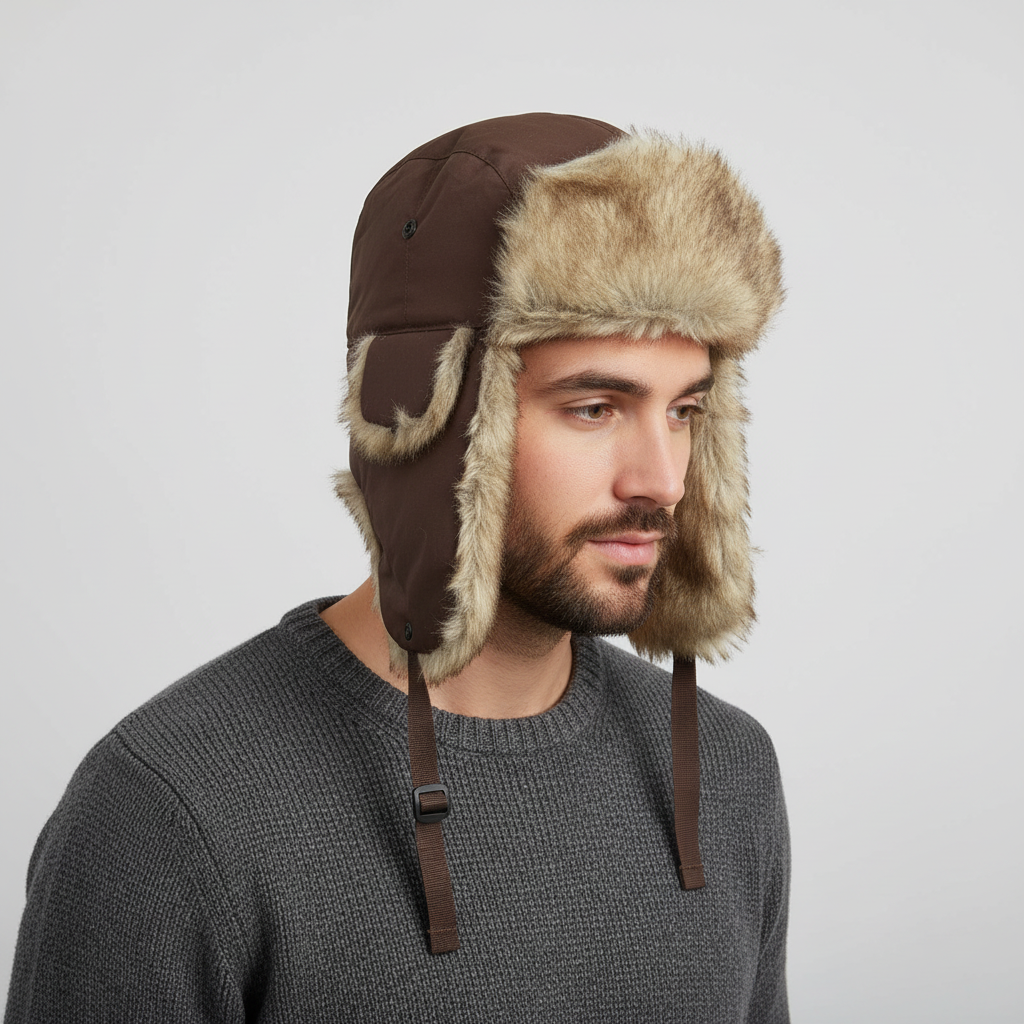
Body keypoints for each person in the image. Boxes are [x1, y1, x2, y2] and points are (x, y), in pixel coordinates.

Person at [4, 112, 790, 1022]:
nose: (661, 480)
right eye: (594, 408)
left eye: (686, 411)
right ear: (428, 419)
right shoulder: (170, 812)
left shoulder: (730, 770)